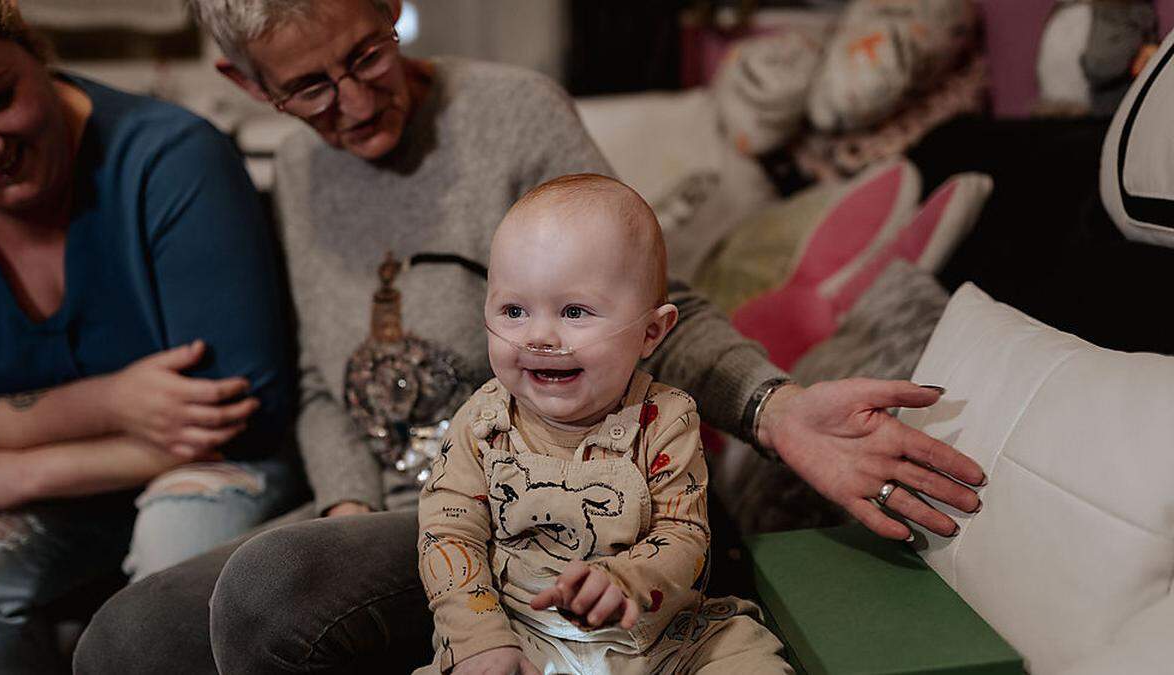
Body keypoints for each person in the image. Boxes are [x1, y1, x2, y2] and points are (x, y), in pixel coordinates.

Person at [75, 1, 986, 672]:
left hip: (531, 508)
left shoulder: (509, 113)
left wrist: (774, 409)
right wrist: (348, 508)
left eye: (367, 53)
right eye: (310, 86)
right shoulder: (306, 170)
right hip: (392, 510)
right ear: (248, 85)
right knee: (120, 642)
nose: (353, 102)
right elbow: (322, 381)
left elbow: (651, 306)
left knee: (276, 588)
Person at [0, 2, 300, 672]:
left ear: (35, 51)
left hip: (224, 461)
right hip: (73, 480)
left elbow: (234, 410)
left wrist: (6, 465)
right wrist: (110, 402)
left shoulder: (169, 155)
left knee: (165, 576)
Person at [417, 173, 792, 674]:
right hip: (522, 636)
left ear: (651, 332)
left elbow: (684, 535)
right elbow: (448, 535)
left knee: (747, 656)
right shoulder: (483, 421)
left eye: (574, 311)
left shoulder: (666, 418)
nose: (540, 336)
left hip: (661, 639)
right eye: (513, 310)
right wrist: (480, 639)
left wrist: (624, 580)